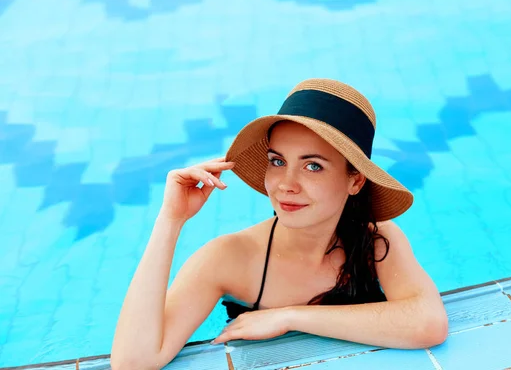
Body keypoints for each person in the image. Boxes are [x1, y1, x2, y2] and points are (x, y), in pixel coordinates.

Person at [111, 79, 448, 369]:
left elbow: (429, 323)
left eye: (313, 166)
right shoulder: (230, 258)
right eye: (278, 161)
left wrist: (289, 316)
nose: (286, 184)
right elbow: (134, 362)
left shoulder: (375, 240)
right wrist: (170, 220)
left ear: (355, 181)